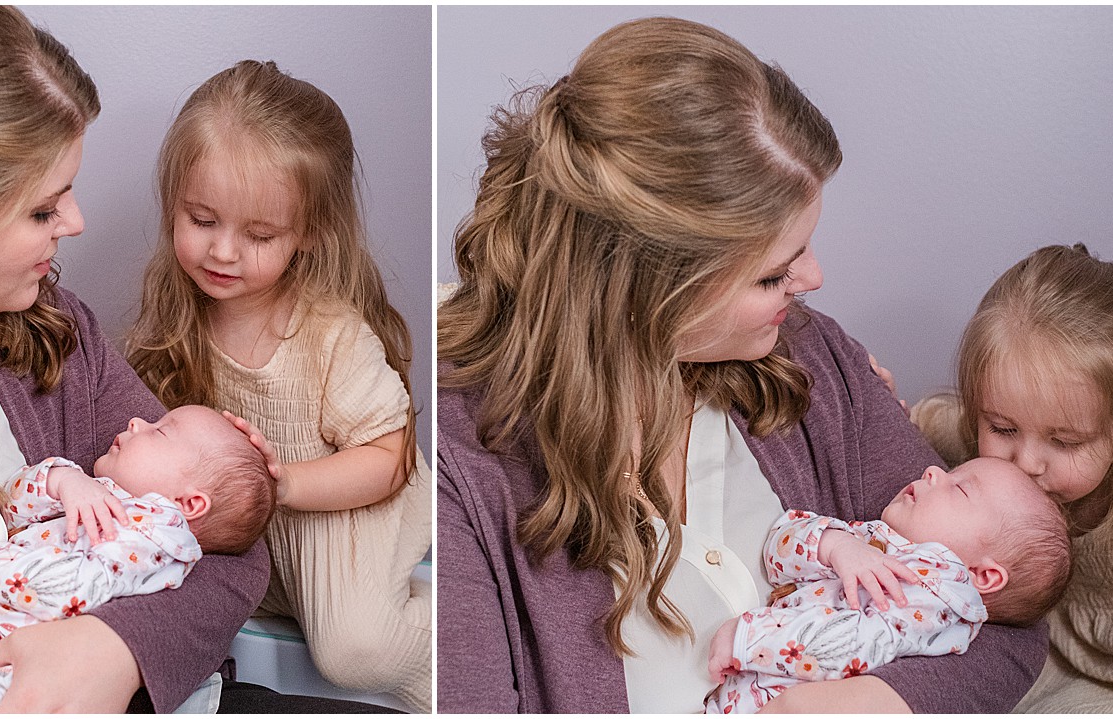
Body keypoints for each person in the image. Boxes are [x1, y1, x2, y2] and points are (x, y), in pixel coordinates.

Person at [436, 16, 1048, 713]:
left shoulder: (814, 361)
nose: (813, 277)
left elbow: (1009, 624)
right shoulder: (465, 464)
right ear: (640, 285)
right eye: (770, 275)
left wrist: (846, 704)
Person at [0, 7, 386, 714]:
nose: (76, 223)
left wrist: (113, 651)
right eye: (42, 209)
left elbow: (227, 544)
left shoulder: (55, 334)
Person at [124, 60, 432, 712]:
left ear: (309, 233)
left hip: (336, 518)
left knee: (354, 651)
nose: (223, 252)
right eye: (202, 219)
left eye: (259, 235)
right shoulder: (175, 321)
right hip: (251, 540)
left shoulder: (329, 335)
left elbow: (392, 456)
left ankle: (445, 633)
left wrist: (286, 482)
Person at [908, 244, 1113, 713]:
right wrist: (882, 401)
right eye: (1003, 428)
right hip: (1029, 655)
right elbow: (928, 420)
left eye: (1066, 442)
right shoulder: (973, 445)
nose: (1025, 462)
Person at [0, 405, 275, 714]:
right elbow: (7, 503)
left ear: (188, 503)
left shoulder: (155, 534)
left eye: (160, 431)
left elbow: (78, 587)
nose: (137, 421)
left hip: (25, 671)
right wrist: (64, 481)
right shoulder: (107, 494)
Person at [705, 458, 1071, 713]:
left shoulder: (937, 592)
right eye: (949, 471)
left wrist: (748, 637)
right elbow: (777, 552)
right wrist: (836, 545)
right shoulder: (877, 542)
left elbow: (857, 643)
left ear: (983, 576)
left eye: (959, 489)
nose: (933, 471)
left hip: (770, 692)